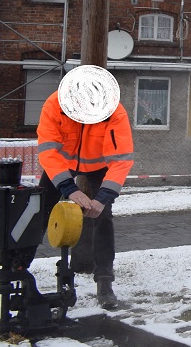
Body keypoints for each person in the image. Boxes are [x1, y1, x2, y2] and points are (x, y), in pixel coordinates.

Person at [35, 64, 134, 310]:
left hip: (100, 165)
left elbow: (121, 160)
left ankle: (104, 282)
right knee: (38, 210)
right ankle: (18, 266)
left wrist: (103, 198)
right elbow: (48, 152)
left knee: (103, 218)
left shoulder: (116, 112)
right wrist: (69, 188)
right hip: (62, 164)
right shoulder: (53, 105)